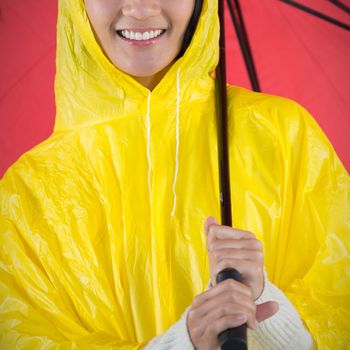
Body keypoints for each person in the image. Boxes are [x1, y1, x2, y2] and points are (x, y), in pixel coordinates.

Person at [0, 0, 349, 349]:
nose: (139, 8)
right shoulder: (25, 197)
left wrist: (274, 319)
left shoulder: (283, 136)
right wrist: (181, 343)